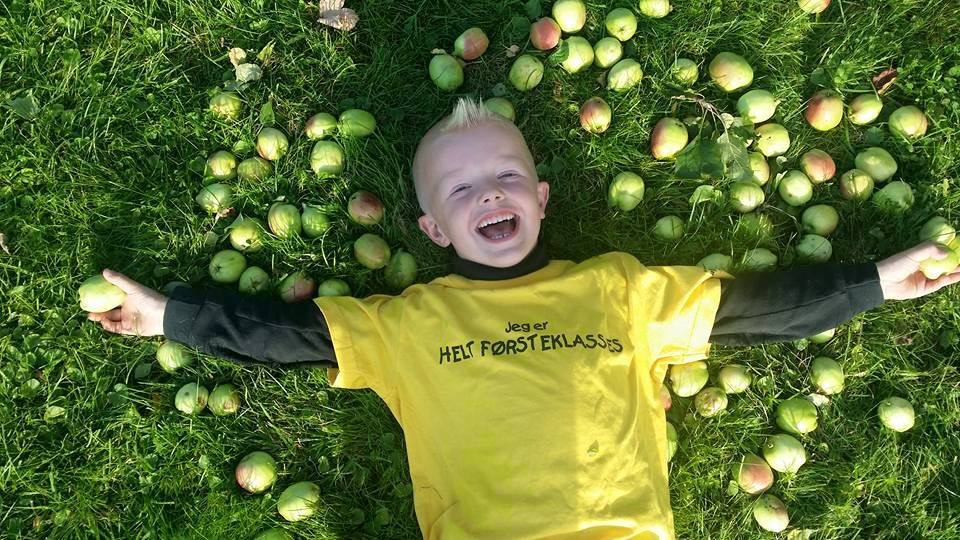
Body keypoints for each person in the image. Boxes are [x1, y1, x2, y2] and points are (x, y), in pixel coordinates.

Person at [87, 98, 960, 539]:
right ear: (433, 229)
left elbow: (750, 311)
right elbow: (286, 337)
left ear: (540, 198)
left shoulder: (619, 289)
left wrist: (874, 283)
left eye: (505, 176)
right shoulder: (408, 321)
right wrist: (171, 316)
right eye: (462, 191)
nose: (489, 194)